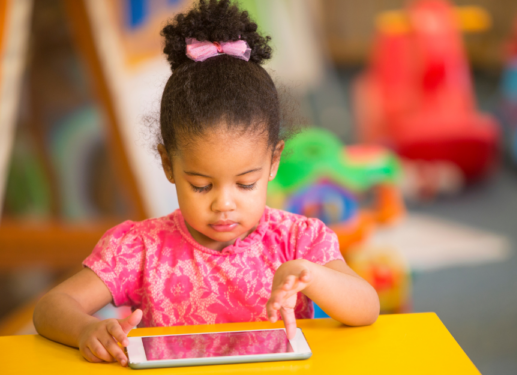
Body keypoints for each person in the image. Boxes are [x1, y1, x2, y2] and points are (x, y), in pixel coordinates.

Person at [33, 0, 379, 367]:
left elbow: (367, 307)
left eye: (245, 184)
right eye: (201, 185)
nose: (223, 204)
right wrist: (87, 330)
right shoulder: (140, 249)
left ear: (274, 161)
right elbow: (51, 308)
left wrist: (312, 276)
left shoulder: (298, 241)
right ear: (168, 163)